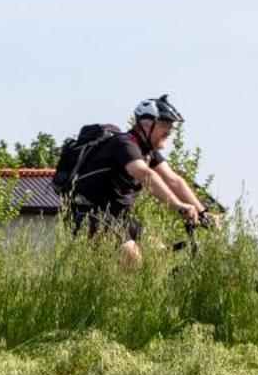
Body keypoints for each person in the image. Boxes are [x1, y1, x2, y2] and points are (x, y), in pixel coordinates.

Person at [66, 95, 211, 269]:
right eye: (165, 124)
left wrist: (204, 213)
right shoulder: (124, 145)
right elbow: (145, 174)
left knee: (158, 254)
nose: (169, 131)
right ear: (146, 124)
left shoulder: (147, 151)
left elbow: (174, 180)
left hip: (118, 217)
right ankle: (124, 296)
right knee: (132, 257)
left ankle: (157, 293)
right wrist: (179, 206)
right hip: (89, 214)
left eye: (171, 126)